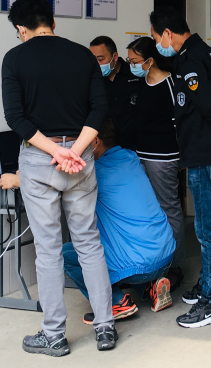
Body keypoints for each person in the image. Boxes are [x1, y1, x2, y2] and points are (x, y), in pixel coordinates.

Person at [1, 0, 117, 356]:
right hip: (80, 159)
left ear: (21, 28)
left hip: (40, 160)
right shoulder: (83, 55)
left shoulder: (14, 58)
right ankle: (105, 327)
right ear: (52, 22)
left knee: (48, 250)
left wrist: (55, 152)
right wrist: (75, 150)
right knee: (89, 242)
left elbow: (16, 118)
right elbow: (100, 107)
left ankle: (53, 335)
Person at [149, 6, 211, 329]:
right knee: (208, 227)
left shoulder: (190, 60)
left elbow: (207, 104)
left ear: (168, 33)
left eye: (156, 38)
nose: (158, 45)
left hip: (205, 154)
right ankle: (206, 284)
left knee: (207, 230)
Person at [61, 119, 176, 322]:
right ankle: (151, 287)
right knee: (123, 242)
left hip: (139, 264)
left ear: (94, 141)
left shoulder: (94, 171)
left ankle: (115, 302)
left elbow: (58, 183)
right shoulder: (131, 158)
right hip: (166, 255)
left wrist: (19, 179)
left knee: (67, 254)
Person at [124, 36, 185, 289]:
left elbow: (180, 122)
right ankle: (151, 262)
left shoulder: (171, 83)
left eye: (135, 61)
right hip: (140, 154)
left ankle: (175, 264)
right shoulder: (139, 84)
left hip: (164, 156)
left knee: (168, 207)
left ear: (150, 60)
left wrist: (182, 156)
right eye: (129, 61)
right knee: (146, 209)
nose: (132, 65)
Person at [89, 36, 142, 149]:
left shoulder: (135, 73)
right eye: (93, 60)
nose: (97, 64)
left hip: (137, 143)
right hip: (106, 147)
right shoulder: (93, 80)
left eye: (100, 59)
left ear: (115, 57)